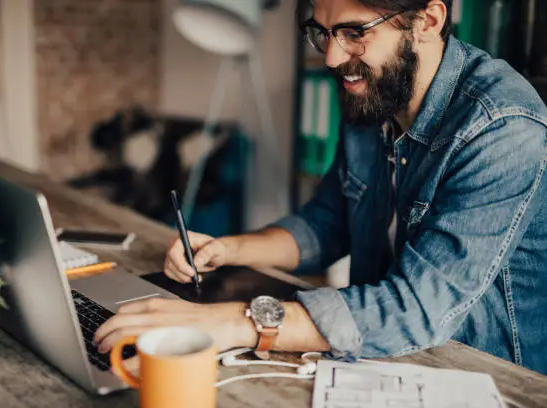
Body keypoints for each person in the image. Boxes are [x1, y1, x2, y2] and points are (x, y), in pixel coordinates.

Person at [94, 0, 547, 374]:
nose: (331, 57)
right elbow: (328, 223)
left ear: (428, 21)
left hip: (482, 373)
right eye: (323, 32)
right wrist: (229, 249)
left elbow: (417, 307)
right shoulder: (377, 94)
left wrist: (237, 321)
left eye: (354, 33)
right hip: (372, 354)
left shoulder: (503, 128)